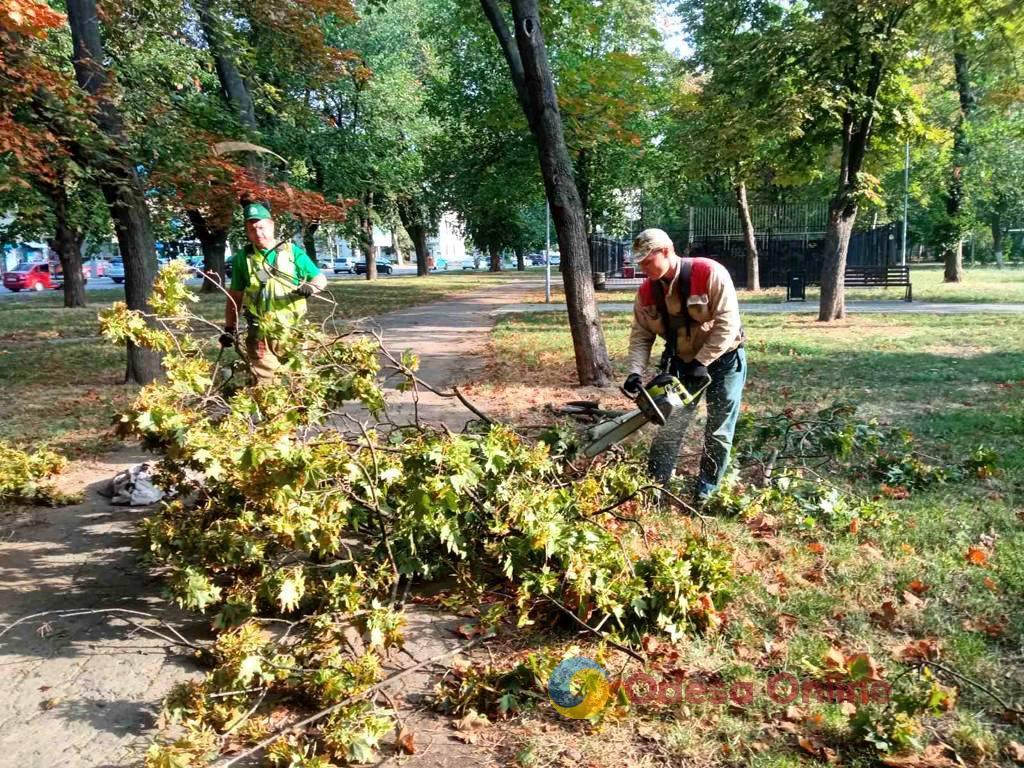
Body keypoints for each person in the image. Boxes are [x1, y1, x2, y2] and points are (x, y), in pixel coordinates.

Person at [623, 228, 746, 505]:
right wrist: (635, 371)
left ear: (666, 251)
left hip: (724, 359)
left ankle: (705, 493)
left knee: (718, 429)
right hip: (682, 363)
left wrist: (703, 361)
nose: (642, 268)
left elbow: (728, 323)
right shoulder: (646, 292)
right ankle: (655, 490)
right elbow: (641, 335)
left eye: (646, 261)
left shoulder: (709, 273)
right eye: (639, 262)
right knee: (671, 425)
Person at [221, 202, 328, 383]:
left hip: (293, 331)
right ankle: (269, 411)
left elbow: (320, 279)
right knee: (266, 387)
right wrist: (229, 328)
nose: (258, 233)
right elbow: (235, 297)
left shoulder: (292, 252)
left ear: (271, 225)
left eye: (261, 227)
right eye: (252, 229)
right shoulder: (243, 258)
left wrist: (311, 287)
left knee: (299, 383)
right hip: (260, 334)